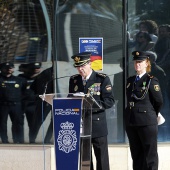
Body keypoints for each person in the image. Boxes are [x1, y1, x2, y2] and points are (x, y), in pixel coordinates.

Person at [69, 52, 115, 170]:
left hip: (97, 124)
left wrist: (91, 105)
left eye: (83, 66)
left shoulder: (101, 79)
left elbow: (109, 101)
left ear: (90, 64)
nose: (80, 69)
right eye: (78, 66)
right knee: (85, 159)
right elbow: (70, 99)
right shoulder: (74, 80)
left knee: (102, 159)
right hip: (81, 125)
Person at [125, 51, 163, 170]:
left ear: (147, 63)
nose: (137, 64)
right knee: (136, 155)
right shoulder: (130, 81)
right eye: (136, 62)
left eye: (140, 62)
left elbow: (158, 101)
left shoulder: (151, 80)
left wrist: (151, 114)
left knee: (150, 155)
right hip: (132, 122)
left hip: (146, 122)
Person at [0, 62, 27, 143]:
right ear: (1, 69)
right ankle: (5, 141)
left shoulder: (19, 80)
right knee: (2, 124)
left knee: (18, 123)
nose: (9, 69)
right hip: (2, 105)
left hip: (16, 105)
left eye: (11, 67)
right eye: (6, 68)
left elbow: (25, 92)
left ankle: (18, 140)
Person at [18, 62, 42, 143]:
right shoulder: (20, 78)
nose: (36, 70)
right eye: (34, 69)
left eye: (37, 68)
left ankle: (32, 140)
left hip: (33, 104)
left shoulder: (39, 78)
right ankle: (19, 140)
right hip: (21, 103)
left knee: (32, 124)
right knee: (18, 123)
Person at [30, 66, 53, 144]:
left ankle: (47, 140)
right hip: (46, 99)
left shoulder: (61, 72)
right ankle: (32, 139)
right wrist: (42, 95)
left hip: (58, 100)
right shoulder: (47, 72)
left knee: (54, 121)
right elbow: (34, 86)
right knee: (39, 120)